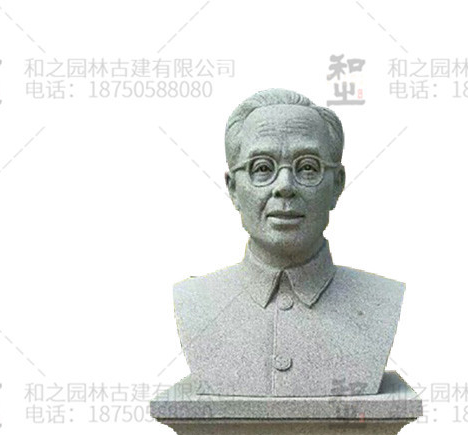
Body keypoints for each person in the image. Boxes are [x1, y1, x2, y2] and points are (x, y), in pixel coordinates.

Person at [173, 88, 404, 397]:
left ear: (337, 184)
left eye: (307, 167)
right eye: (262, 168)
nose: (284, 186)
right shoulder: (195, 302)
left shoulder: (380, 302)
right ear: (233, 189)